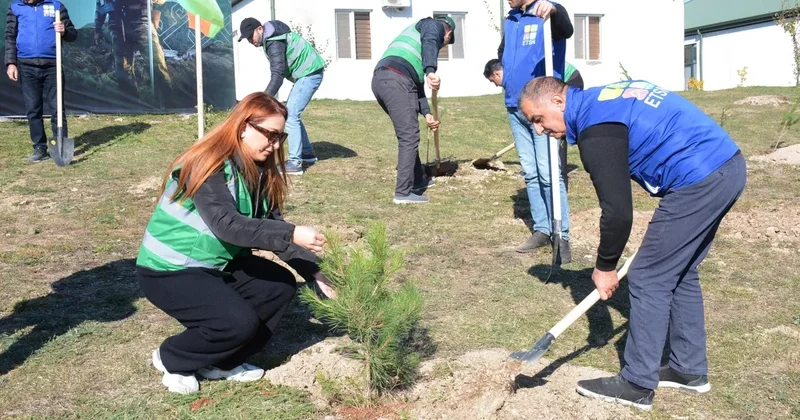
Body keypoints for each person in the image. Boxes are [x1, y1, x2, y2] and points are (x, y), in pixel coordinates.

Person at [518, 77, 747, 411]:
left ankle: (637, 383)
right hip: (726, 165)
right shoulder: (599, 100)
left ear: (557, 101)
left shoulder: (596, 129)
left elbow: (618, 213)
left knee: (648, 277)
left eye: (537, 119)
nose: (538, 130)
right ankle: (688, 370)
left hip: (699, 178)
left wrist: (605, 266)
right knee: (680, 271)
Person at [135, 92, 336, 394]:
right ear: (244, 127)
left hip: (215, 264)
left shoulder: (257, 171)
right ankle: (173, 358)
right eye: (270, 135)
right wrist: (293, 232)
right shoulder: (206, 164)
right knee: (235, 322)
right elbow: (227, 225)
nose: (276, 145)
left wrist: (315, 272)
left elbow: (272, 229)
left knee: (278, 286)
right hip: (169, 270)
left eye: (281, 137)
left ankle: (221, 363)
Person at [499, 0, 573, 261]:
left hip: (541, 107)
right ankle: (542, 229)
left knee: (548, 172)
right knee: (530, 172)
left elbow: (566, 28)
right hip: (514, 106)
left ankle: (561, 235)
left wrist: (554, 9)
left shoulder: (546, 12)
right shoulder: (511, 19)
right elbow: (504, 54)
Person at [372, 16, 455, 204]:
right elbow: (432, 39)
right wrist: (431, 70)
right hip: (396, 80)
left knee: (407, 132)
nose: (442, 46)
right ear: (448, 33)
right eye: (446, 42)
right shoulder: (431, 25)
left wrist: (427, 114)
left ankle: (417, 180)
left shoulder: (410, 55)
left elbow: (416, 88)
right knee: (409, 135)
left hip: (384, 80)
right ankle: (403, 193)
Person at [238, 18, 325, 176]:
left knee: (291, 114)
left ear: (259, 29)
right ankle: (307, 154)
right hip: (307, 73)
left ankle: (295, 162)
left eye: (251, 37)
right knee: (293, 113)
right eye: (247, 39)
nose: (250, 41)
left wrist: (261, 101)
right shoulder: (274, 37)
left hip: (309, 73)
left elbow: (277, 75)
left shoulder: (274, 42)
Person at [483, 58, 583, 191]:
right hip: (550, 83)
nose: (496, 85)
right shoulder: (513, 73)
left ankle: (560, 177)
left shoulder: (516, 73)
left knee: (558, 127)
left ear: (497, 74)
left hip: (569, 78)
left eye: (492, 81)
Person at [5, 0, 77, 163]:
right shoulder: (16, 7)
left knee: (57, 109)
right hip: (26, 66)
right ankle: (40, 147)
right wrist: (11, 63)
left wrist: (65, 31)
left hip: (53, 65)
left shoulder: (56, 6)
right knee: (33, 109)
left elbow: (73, 34)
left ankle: (60, 145)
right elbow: (10, 35)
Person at [94, 0, 172, 101]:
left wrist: (155, 15)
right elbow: (100, 5)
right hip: (117, 24)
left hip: (142, 21)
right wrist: (97, 29)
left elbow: (160, 2)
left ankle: (168, 102)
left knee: (156, 62)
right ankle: (132, 104)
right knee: (123, 66)